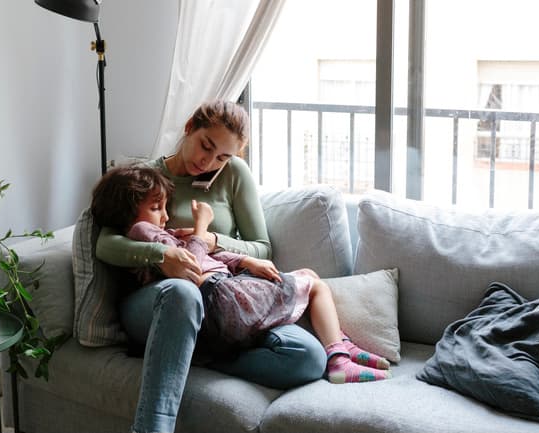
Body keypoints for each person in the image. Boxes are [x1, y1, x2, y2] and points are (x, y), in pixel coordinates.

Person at [91, 100, 343, 433]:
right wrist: (160, 255)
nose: (208, 161)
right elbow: (105, 243)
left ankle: (192, 353)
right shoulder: (147, 177)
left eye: (222, 157)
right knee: (182, 293)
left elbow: (262, 246)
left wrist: (212, 241)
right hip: (158, 302)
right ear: (190, 127)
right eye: (205, 146)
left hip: (221, 301)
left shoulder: (234, 175)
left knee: (309, 358)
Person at [91, 165, 392, 378]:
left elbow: (210, 255)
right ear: (128, 207)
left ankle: (340, 348)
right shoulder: (143, 230)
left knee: (308, 290)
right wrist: (201, 227)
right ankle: (340, 356)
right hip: (220, 297)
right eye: (158, 207)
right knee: (313, 283)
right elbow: (192, 270)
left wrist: (245, 261)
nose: (166, 216)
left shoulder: (160, 233)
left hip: (222, 301)